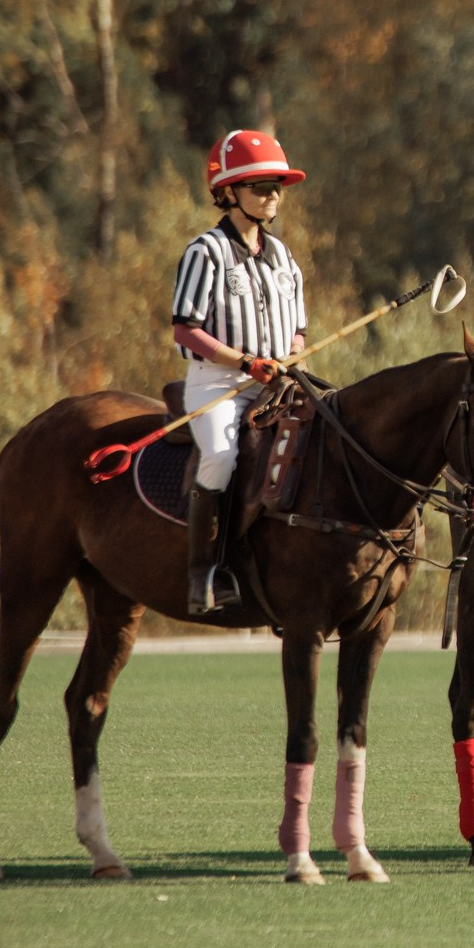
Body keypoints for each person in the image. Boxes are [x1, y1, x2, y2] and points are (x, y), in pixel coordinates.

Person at [171, 130, 309, 614]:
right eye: (259, 185)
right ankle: (204, 573)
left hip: (280, 386)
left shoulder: (285, 258)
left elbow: (299, 329)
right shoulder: (205, 252)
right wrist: (247, 362)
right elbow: (185, 330)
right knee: (222, 458)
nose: (272, 195)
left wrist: (292, 357)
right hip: (221, 386)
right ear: (228, 192)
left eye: (277, 185)